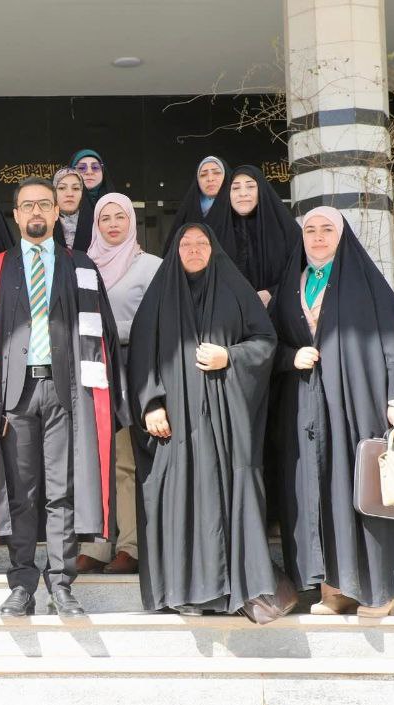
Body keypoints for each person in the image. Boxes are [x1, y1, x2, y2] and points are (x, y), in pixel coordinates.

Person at [0, 178, 121, 617]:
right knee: (22, 494)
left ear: (56, 212)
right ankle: (21, 584)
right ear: (15, 215)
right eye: (27, 205)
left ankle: (62, 583)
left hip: (64, 392)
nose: (36, 212)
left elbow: (103, 335)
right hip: (15, 395)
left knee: (61, 493)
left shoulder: (81, 266)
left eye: (44, 205)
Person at [269, 206, 394, 618]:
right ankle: (334, 588)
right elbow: (269, 342)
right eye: (310, 230)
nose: (318, 237)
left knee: (362, 489)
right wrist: (289, 357)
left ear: (342, 236)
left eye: (327, 230)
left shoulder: (366, 281)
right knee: (319, 490)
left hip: (359, 403)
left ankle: (380, 590)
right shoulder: (291, 284)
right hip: (307, 407)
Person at [127, 223, 279, 616]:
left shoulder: (236, 291)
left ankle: (229, 593)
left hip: (224, 420)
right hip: (174, 424)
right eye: (186, 244)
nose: (194, 250)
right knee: (178, 500)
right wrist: (150, 404)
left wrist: (230, 356)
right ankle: (182, 593)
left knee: (223, 496)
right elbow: (141, 353)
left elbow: (265, 341)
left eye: (202, 243)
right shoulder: (159, 296)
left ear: (214, 250)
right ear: (174, 252)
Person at [76, 193, 163, 576]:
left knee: (125, 461)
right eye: (105, 218)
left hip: (131, 373)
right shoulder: (82, 267)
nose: (112, 224)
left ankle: (129, 545)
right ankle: (95, 546)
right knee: (93, 460)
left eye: (120, 217)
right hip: (91, 374)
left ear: (132, 221)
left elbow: (156, 322)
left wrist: (107, 331)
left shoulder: (151, 267)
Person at [215, 165, 299, 306]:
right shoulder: (215, 234)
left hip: (278, 312)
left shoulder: (286, 231)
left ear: (261, 190)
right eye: (235, 188)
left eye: (250, 186)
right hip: (229, 314)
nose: (243, 193)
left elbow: (302, 272)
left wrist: (272, 293)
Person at [64, 149, 116, 252]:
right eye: (81, 168)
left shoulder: (115, 202)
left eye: (95, 167)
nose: (89, 172)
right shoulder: (61, 204)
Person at [168, 157, 229, 244]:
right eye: (203, 175)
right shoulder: (187, 212)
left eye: (217, 173)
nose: (210, 178)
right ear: (197, 181)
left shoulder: (237, 209)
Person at [51, 167, 86, 254]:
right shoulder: (44, 224)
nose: (70, 194)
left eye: (76, 188)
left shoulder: (95, 224)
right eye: (62, 188)